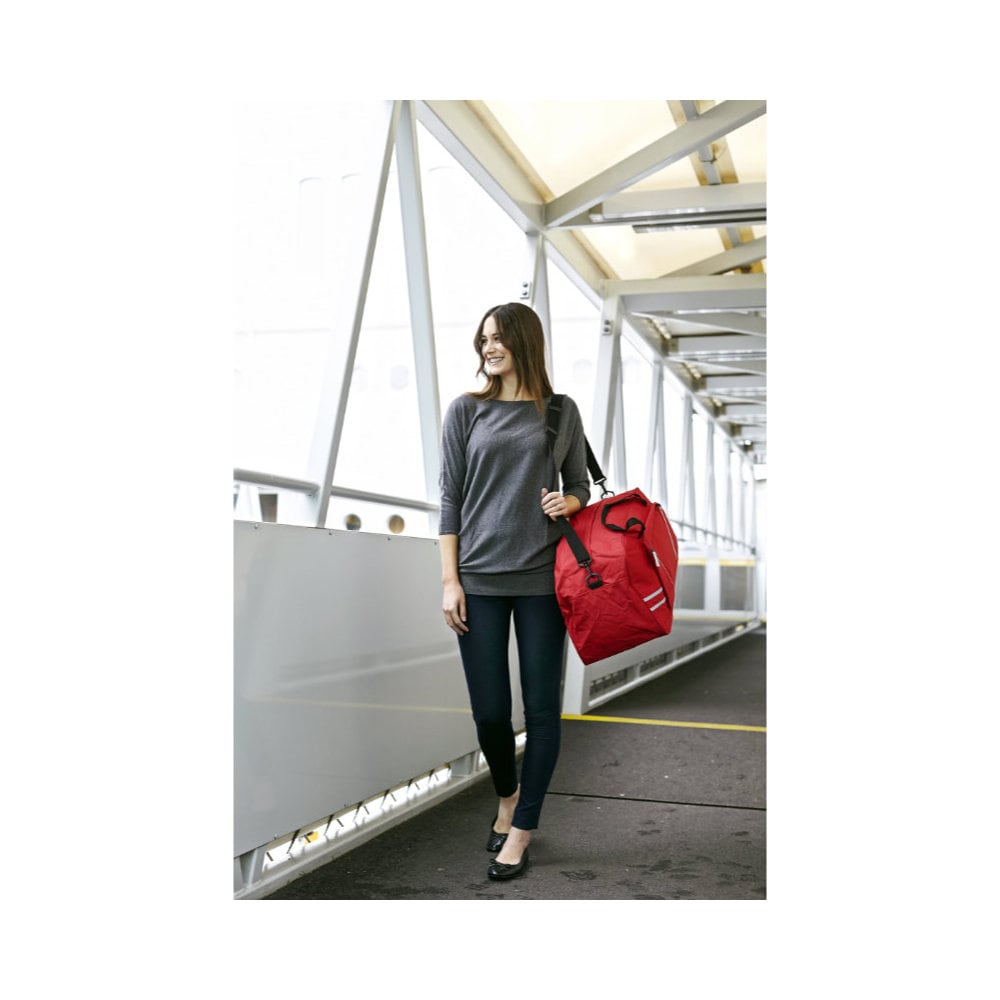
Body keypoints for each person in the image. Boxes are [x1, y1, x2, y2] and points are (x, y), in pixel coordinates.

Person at [438, 301, 591, 881]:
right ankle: (507, 796)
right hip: (477, 579)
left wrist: (566, 502)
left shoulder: (560, 411)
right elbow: (450, 497)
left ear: (525, 342)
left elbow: (580, 485)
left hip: (543, 581)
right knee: (490, 712)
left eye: (499, 338)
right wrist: (450, 580)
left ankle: (522, 829)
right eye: (483, 339)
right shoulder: (466, 410)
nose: (489, 348)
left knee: (543, 710)